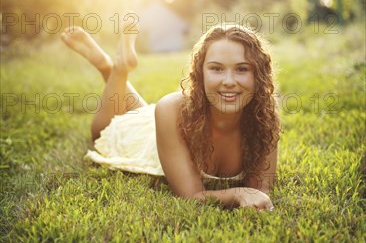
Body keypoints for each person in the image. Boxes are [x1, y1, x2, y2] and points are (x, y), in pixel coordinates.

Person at [61, 17, 280, 212]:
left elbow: (261, 190)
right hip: (157, 136)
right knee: (102, 134)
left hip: (162, 124)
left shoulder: (265, 115)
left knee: (141, 113)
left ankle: (113, 69)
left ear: (258, 75)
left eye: (242, 69)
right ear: (200, 73)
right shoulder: (171, 109)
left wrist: (254, 196)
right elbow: (191, 196)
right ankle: (112, 68)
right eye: (216, 68)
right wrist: (237, 193)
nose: (229, 81)